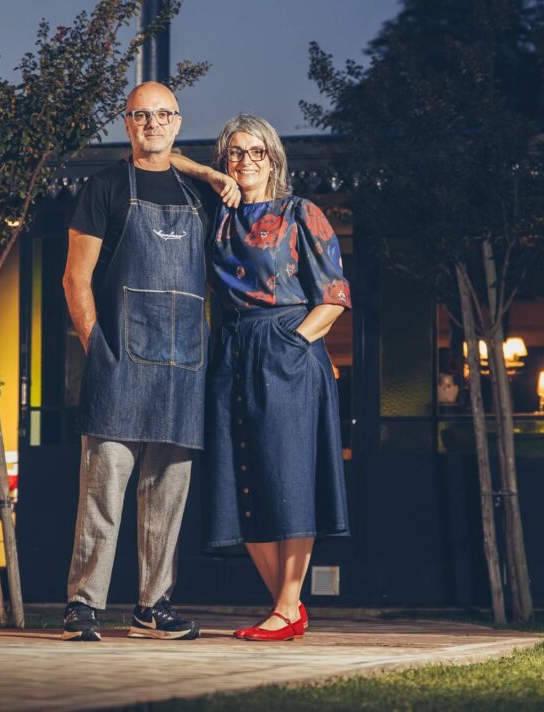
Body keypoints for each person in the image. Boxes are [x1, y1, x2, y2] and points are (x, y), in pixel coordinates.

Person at [171, 114, 351, 641]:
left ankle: (286, 606)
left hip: (286, 346)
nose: (245, 161)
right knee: (238, 476)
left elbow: (335, 296)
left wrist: (294, 343)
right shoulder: (218, 214)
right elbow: (157, 160)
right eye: (235, 152)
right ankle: (287, 607)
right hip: (230, 348)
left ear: (274, 159)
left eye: (256, 152)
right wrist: (211, 176)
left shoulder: (300, 212)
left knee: (289, 477)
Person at [60, 82, 228, 642]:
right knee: (103, 491)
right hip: (120, 361)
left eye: (162, 115)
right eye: (140, 115)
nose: (152, 123)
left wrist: (207, 173)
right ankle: (83, 605)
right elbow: (75, 278)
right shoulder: (105, 187)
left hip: (184, 364)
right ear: (126, 122)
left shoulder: (199, 195)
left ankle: (152, 608)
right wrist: (98, 349)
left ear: (177, 122)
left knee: (168, 492)